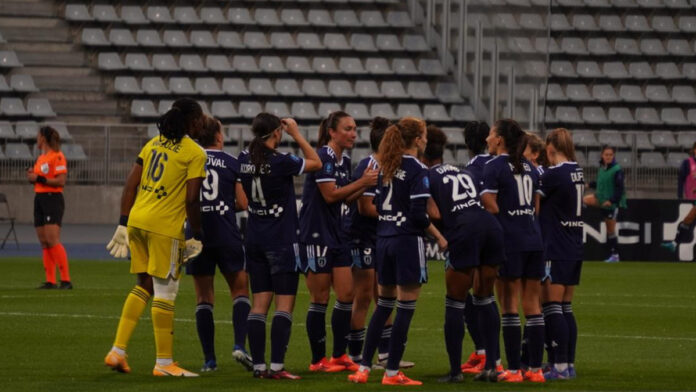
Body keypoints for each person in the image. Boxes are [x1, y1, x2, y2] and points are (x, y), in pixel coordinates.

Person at [104, 98, 207, 377]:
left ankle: (118, 351)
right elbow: (192, 199)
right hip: (164, 227)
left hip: (137, 221)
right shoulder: (194, 152)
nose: (202, 123)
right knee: (166, 291)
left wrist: (123, 223)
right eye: (199, 119)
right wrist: (196, 234)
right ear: (192, 120)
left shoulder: (152, 144)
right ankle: (164, 363)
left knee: (144, 285)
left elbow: (130, 184)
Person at [348, 117, 447, 386]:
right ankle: (392, 373)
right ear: (417, 139)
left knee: (384, 306)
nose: (426, 139)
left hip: (384, 240)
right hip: (406, 242)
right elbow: (418, 214)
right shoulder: (417, 169)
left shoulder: (386, 165)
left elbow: (379, 203)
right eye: (424, 135)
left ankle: (364, 368)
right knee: (406, 307)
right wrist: (439, 236)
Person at [238, 113, 322, 379]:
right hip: (282, 240)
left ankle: (260, 367)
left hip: (254, 237)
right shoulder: (281, 162)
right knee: (284, 305)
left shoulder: (244, 159)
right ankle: (276, 366)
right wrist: (297, 134)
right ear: (277, 132)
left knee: (259, 303)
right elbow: (316, 162)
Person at [422, 126, 503, 383]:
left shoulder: (426, 177)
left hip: (464, 230)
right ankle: (492, 365)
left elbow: (433, 213)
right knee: (485, 297)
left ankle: (456, 371)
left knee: (455, 302)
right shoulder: (461, 170)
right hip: (490, 226)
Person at [299, 111, 378, 373]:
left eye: (355, 129)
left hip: (337, 233)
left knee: (346, 295)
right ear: (332, 132)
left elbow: (344, 199)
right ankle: (317, 360)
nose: (353, 133)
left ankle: (338, 355)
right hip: (316, 234)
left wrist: (364, 185)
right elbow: (331, 195)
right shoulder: (324, 157)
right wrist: (363, 182)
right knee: (320, 297)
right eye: (348, 128)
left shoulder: (343, 161)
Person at [345, 117, 414, 370]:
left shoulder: (390, 165)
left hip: (380, 237)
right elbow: (364, 207)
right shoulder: (370, 165)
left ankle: (385, 355)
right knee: (363, 296)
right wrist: (397, 214)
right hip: (362, 237)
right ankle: (354, 356)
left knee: (383, 298)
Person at [480, 119, 546, 383]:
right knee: (532, 305)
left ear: (499, 140)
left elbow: (489, 202)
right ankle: (536, 370)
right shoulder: (530, 167)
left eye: (491, 135)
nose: (487, 139)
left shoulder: (493, 166)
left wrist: (501, 217)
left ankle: (515, 370)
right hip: (533, 239)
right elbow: (536, 208)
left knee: (508, 305)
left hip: (511, 241)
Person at [186, 116, 251, 372]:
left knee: (203, 297)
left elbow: (187, 198)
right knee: (240, 290)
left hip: (196, 234)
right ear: (219, 137)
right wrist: (224, 203)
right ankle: (239, 346)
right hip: (226, 233)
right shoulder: (232, 162)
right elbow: (244, 203)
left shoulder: (190, 161)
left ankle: (209, 360)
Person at [538, 128, 584, 380]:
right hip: (574, 244)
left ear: (550, 148)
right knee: (565, 306)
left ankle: (560, 367)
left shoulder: (553, 174)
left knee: (552, 306)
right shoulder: (577, 170)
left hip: (556, 245)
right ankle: (567, 364)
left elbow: (534, 200)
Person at [459, 121, 499, 374]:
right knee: (485, 296)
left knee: (474, 296)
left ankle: (487, 355)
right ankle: (486, 353)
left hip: (478, 236)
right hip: (503, 234)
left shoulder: (471, 170)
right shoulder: (500, 165)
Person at [27, 126, 72, 290]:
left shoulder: (58, 157)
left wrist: (39, 178)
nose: (36, 139)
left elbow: (60, 181)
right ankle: (50, 281)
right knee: (44, 242)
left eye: (38, 136)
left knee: (53, 240)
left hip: (52, 199)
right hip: (39, 198)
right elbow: (41, 179)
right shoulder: (40, 159)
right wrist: (33, 177)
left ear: (43, 139)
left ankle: (66, 280)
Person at [582, 145, 626, 263]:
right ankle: (576, 225)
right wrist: (589, 185)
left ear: (613, 156)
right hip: (599, 199)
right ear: (602, 155)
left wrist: (611, 201)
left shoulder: (617, 170)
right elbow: (600, 183)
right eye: (606, 154)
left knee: (610, 231)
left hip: (610, 204)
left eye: (610, 155)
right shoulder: (602, 167)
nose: (608, 157)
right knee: (583, 200)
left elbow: (619, 189)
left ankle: (616, 255)